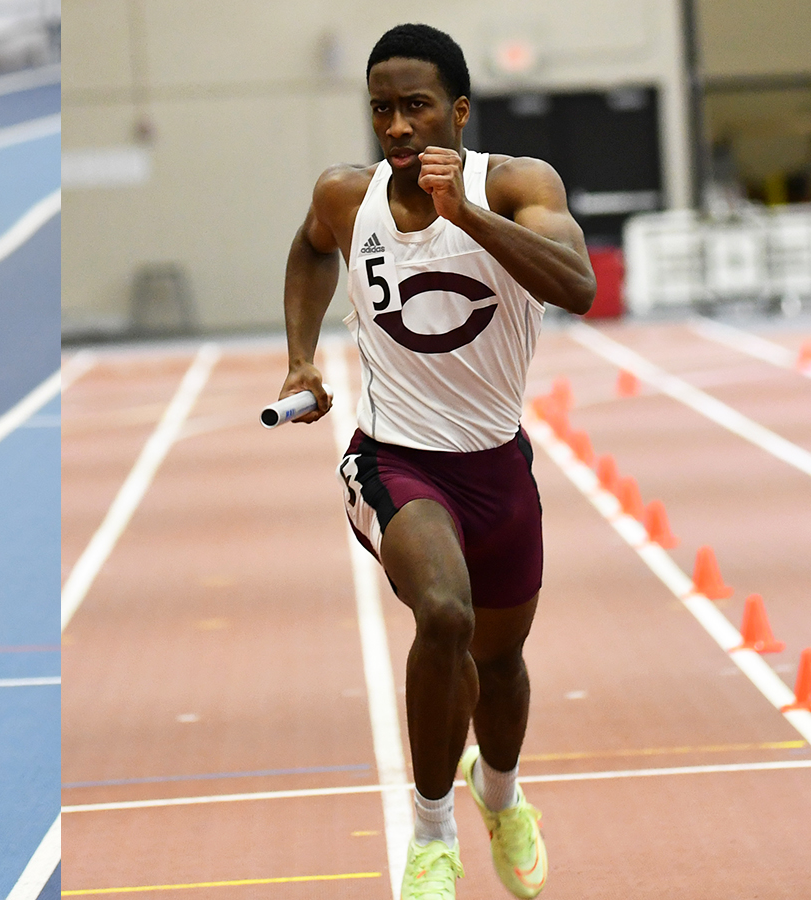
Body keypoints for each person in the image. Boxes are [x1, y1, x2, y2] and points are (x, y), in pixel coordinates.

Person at [278, 23, 594, 900]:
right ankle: (429, 832)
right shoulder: (350, 197)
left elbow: (578, 288)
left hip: (498, 467)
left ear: (457, 110)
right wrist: (302, 355)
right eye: (382, 110)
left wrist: (470, 218)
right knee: (445, 616)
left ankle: (501, 795)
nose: (398, 126)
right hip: (394, 462)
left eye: (416, 107)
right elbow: (309, 247)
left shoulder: (520, 184)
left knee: (500, 664)